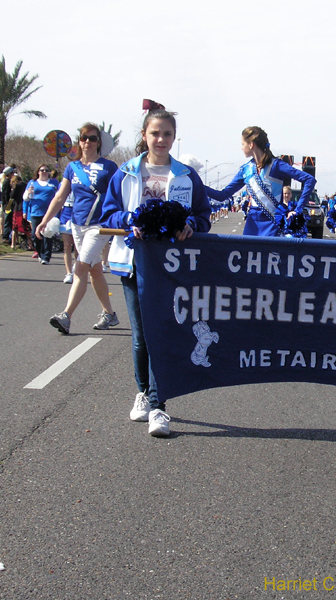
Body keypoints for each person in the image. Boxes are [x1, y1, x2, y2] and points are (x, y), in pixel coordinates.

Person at [101, 107, 211, 437]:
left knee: (162, 334)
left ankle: (159, 405)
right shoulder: (125, 172)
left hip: (173, 269)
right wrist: (128, 221)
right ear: (144, 136)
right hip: (134, 263)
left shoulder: (187, 176)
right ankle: (143, 393)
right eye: (155, 133)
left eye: (167, 134)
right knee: (141, 336)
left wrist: (190, 225)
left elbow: (204, 215)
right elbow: (109, 215)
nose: (160, 139)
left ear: (174, 138)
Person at [35, 123, 119, 334]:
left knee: (80, 268)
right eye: (83, 138)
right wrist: (45, 220)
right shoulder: (72, 168)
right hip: (77, 224)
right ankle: (109, 314)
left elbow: (119, 195)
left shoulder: (109, 167)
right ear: (79, 141)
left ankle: (66, 315)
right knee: (95, 269)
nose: (87, 142)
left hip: (99, 226)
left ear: (99, 142)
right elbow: (60, 196)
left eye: (92, 138)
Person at [205, 126, 316, 236]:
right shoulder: (246, 170)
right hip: (252, 223)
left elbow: (309, 180)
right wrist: (199, 185)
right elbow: (222, 195)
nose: (241, 148)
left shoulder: (276, 165)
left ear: (251, 144)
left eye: (243, 144)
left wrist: (298, 210)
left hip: (272, 223)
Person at [24, 164, 59, 265]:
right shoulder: (32, 183)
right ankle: (40, 253)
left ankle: (46, 257)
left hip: (49, 213)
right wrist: (25, 211)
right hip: (36, 212)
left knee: (47, 234)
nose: (44, 172)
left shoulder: (54, 183)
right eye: (42, 170)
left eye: (46, 170)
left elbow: (59, 196)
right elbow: (25, 198)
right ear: (38, 172)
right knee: (35, 234)